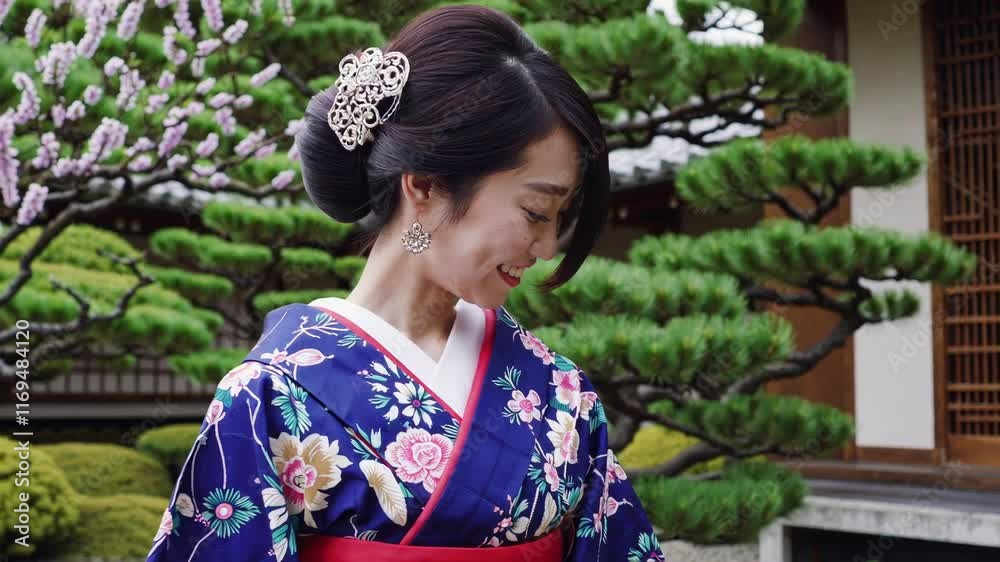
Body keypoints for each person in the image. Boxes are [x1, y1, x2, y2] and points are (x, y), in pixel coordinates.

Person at [145, 4, 665, 561]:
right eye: (538, 212)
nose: (546, 247)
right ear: (425, 185)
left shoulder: (561, 394)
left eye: (562, 219)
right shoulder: (269, 394)